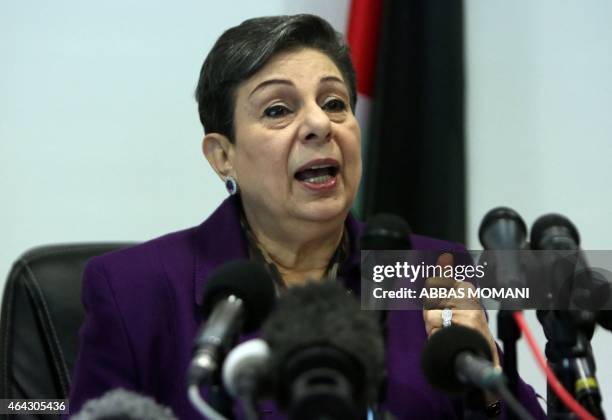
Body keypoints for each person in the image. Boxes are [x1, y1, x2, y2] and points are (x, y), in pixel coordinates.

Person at [67, 14, 545, 419]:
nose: (319, 124)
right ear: (222, 155)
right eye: (278, 109)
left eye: (335, 103)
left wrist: (489, 381)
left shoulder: (430, 272)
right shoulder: (134, 291)